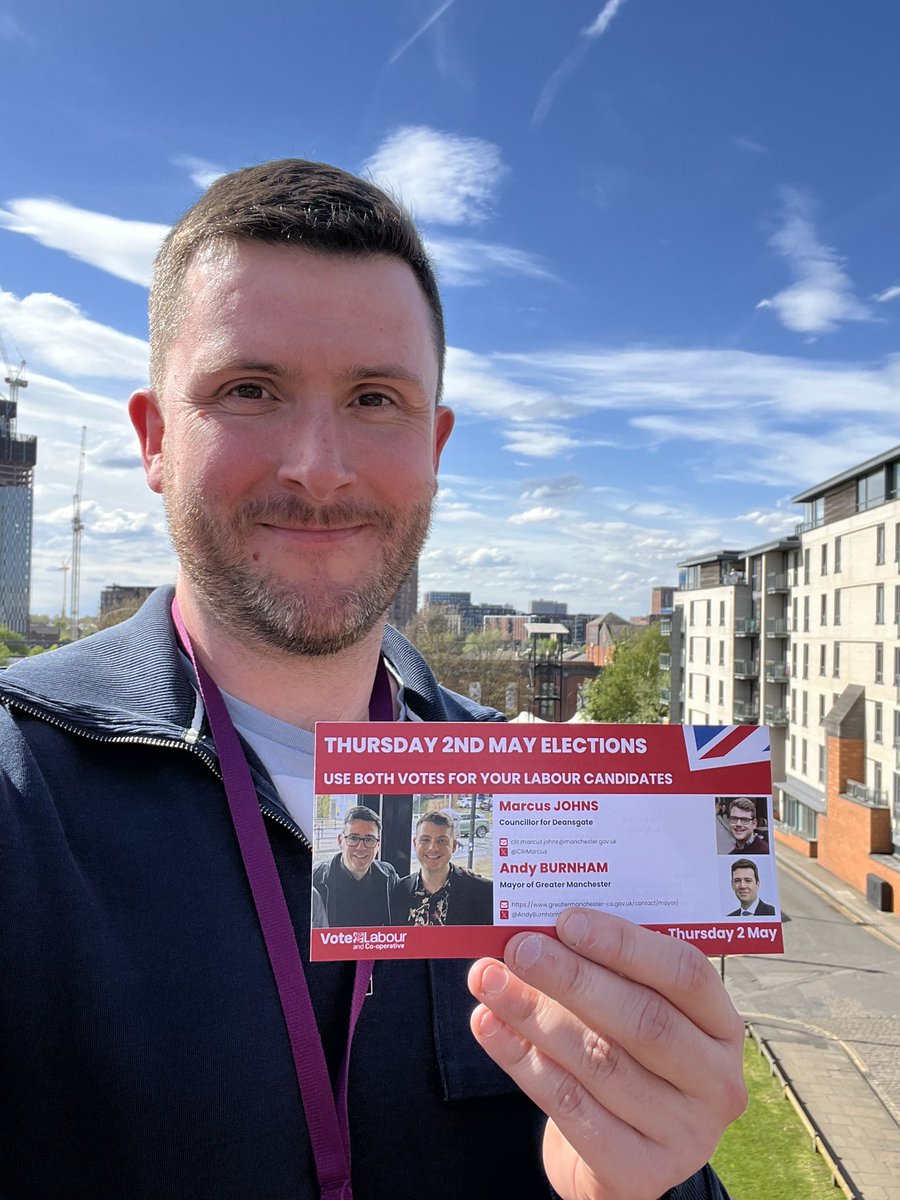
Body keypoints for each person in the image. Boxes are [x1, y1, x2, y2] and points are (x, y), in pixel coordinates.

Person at [0, 159, 743, 1200]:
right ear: (156, 439)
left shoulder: (546, 800)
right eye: (249, 390)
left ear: (435, 447)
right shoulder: (20, 796)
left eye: (375, 398)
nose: (319, 464)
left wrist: (650, 1182)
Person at [393, 811, 493, 925]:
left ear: (454, 846)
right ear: (415, 843)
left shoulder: (483, 892)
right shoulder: (400, 890)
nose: (433, 848)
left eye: (441, 841)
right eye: (425, 840)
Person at [313, 805, 398, 925]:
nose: (361, 847)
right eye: (353, 838)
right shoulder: (315, 880)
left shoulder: (389, 877)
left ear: (378, 845)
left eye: (369, 840)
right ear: (340, 841)